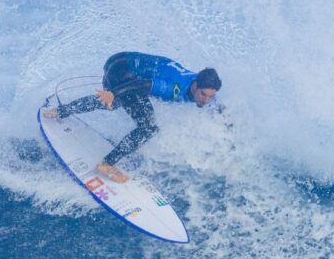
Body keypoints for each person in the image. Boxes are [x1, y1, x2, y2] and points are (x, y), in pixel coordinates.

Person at [43, 51, 222, 183]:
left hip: (121, 61)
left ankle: (59, 112)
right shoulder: (172, 87)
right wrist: (113, 93)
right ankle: (107, 164)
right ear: (195, 85)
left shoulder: (204, 85)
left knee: (117, 103)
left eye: (210, 96)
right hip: (121, 71)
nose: (206, 100)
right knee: (148, 127)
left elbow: (215, 104)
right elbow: (140, 84)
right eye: (203, 95)